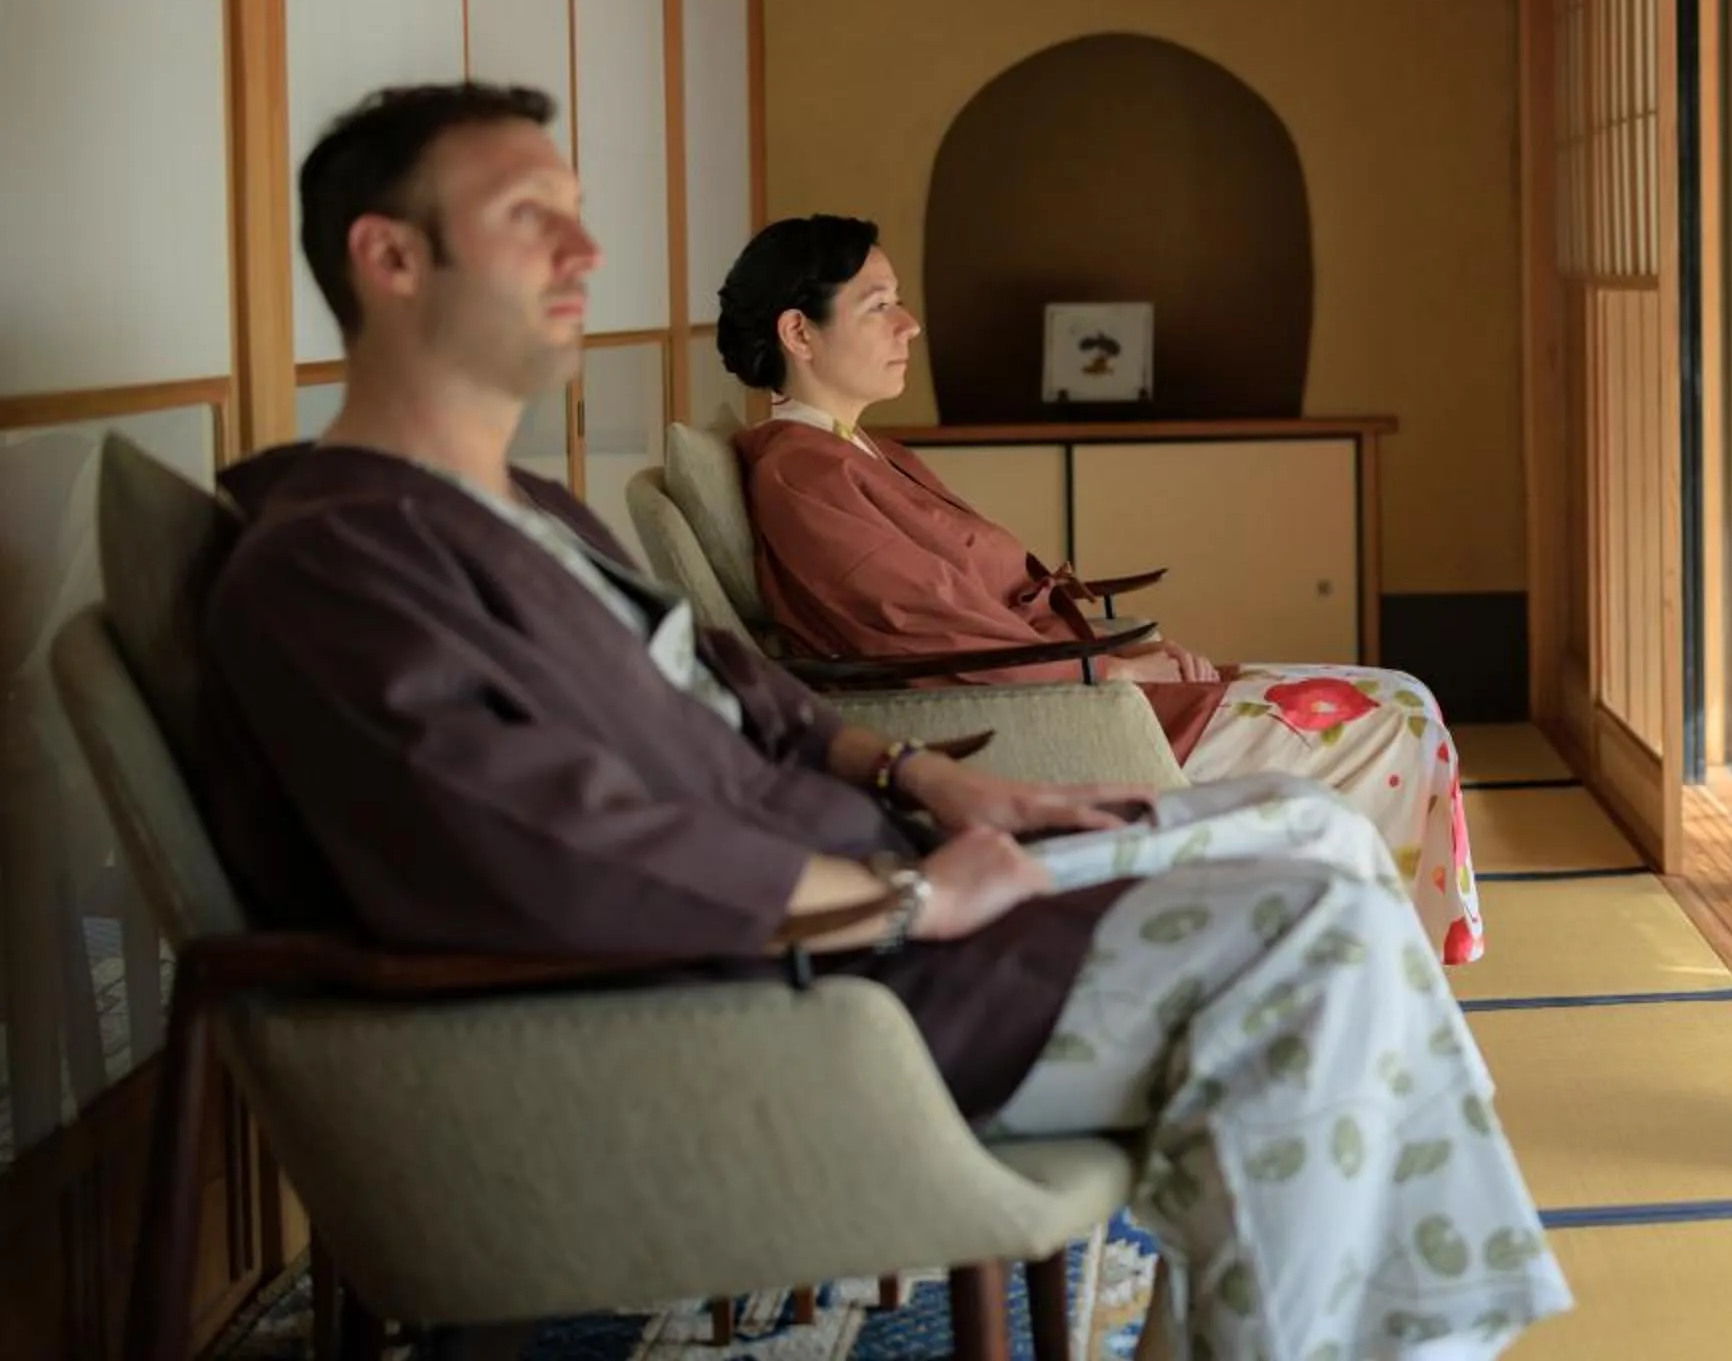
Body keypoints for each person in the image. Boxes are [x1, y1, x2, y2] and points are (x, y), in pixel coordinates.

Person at [197, 83, 1567, 1360]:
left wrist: (927, 777)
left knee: (1321, 844)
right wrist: (894, 895)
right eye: (526, 217)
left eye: (574, 210)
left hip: (881, 873)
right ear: (388, 260)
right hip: (801, 981)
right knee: (1314, 939)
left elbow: (749, 693)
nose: (584, 251)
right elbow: (536, 851)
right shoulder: (335, 561)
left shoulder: (523, 513)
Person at [715, 217, 1484, 964]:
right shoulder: (805, 474)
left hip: (1068, 685)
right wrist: (1101, 671)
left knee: (1397, 701)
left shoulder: (861, 454)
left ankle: (1361, 957)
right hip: (1047, 712)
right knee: (1395, 716)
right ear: (799, 333)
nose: (909, 325)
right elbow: (922, 628)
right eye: (878, 305)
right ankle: (1381, 963)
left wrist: (1118, 651)